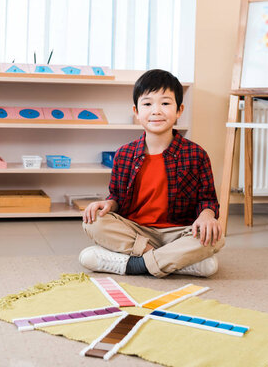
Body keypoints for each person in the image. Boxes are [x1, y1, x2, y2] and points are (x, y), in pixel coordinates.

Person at [79, 69, 224, 278]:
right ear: (136, 112)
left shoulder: (196, 154)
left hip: (178, 232)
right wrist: (107, 205)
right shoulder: (124, 154)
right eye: (147, 104)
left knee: (217, 236)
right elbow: (117, 197)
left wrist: (207, 216)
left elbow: (207, 199)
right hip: (136, 231)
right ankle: (175, 262)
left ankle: (132, 264)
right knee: (93, 221)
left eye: (165, 103)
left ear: (179, 110)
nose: (156, 111)